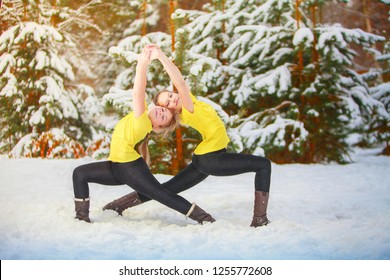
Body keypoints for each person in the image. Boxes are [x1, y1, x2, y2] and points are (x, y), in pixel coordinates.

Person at [104, 44, 272, 227]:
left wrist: (161, 55)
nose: (172, 98)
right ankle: (260, 219)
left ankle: (117, 205)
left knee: (168, 188)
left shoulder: (190, 100)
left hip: (205, 157)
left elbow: (179, 83)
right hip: (210, 158)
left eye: (170, 95)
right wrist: (160, 57)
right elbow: (180, 83)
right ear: (170, 110)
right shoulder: (187, 109)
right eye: (168, 102)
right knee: (263, 165)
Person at [72, 45, 215, 224]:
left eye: (164, 117)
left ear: (156, 127)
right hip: (117, 166)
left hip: (130, 167)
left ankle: (205, 218)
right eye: (163, 108)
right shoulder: (144, 113)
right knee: (80, 174)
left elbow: (138, 93)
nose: (162, 112)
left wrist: (142, 65)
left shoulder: (143, 121)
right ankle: (83, 217)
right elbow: (150, 96)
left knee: (161, 195)